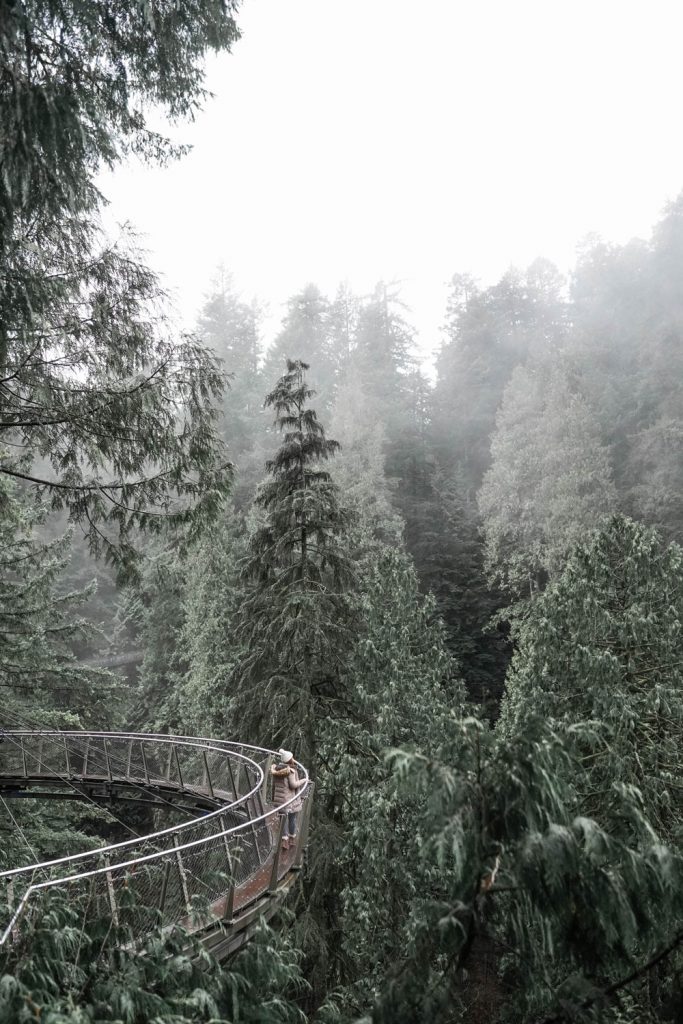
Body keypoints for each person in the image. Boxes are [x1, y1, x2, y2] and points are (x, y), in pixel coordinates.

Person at [271, 748, 305, 849]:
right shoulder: (290, 771)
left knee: (283, 818)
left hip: (279, 800)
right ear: (290, 759)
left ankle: (284, 840)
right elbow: (293, 785)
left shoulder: (277, 769)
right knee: (292, 818)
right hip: (290, 800)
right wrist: (304, 780)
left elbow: (274, 786)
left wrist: (274, 798)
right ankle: (292, 839)